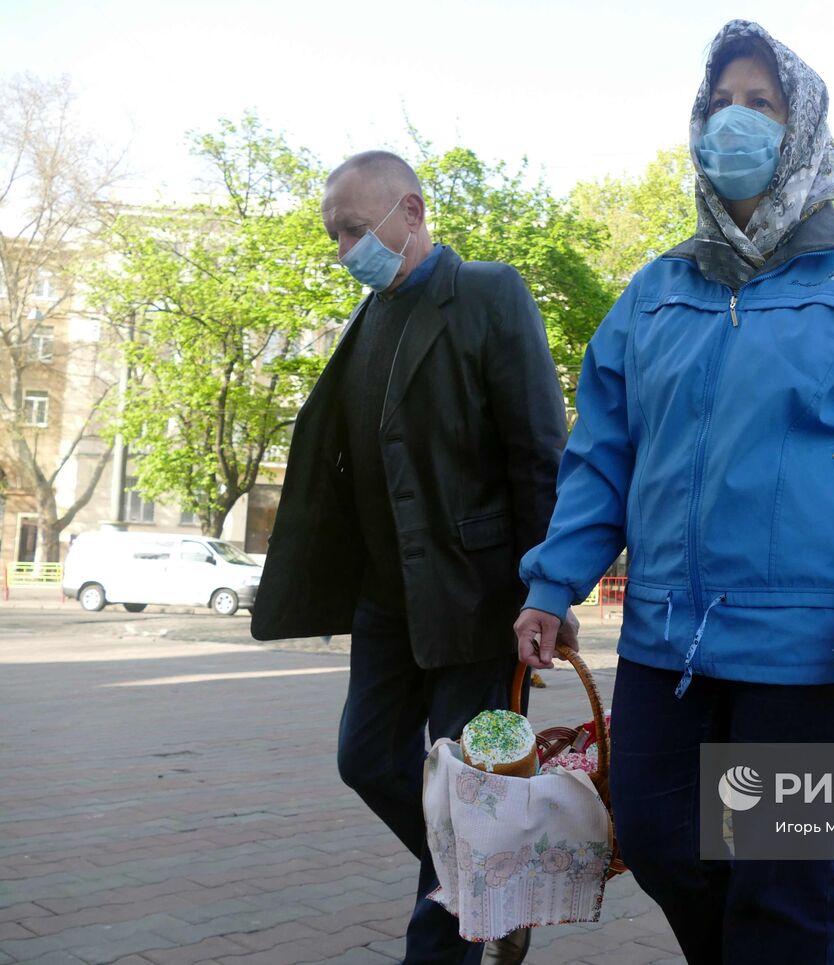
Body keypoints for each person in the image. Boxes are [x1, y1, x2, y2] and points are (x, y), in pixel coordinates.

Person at [513, 21, 834, 962]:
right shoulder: (654, 291)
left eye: (760, 103)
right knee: (654, 838)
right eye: (720, 101)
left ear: (800, 125)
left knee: (781, 879)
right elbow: (603, 452)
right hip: (665, 639)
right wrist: (552, 582)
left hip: (811, 649)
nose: (735, 120)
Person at [251, 150, 569, 964]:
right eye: (335, 234)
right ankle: (489, 874)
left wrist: (549, 587)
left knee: (467, 791)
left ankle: (454, 921)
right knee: (365, 759)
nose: (344, 247)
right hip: (386, 603)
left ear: (412, 211)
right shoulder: (368, 320)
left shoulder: (489, 293)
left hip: (478, 600)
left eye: (354, 228)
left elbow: (537, 450)